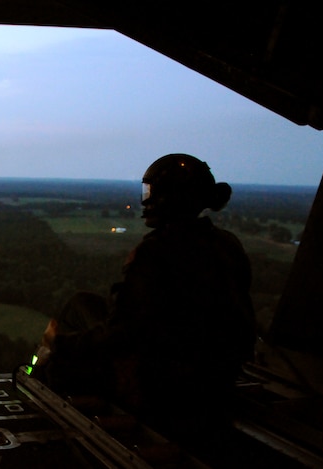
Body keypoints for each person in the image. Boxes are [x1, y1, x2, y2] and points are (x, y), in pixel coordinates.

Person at [33, 153, 256, 441]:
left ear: (168, 198)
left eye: (150, 191)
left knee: (55, 368)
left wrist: (60, 343)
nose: (146, 199)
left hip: (165, 384)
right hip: (215, 377)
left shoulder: (157, 253)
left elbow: (123, 334)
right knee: (81, 303)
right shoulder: (227, 244)